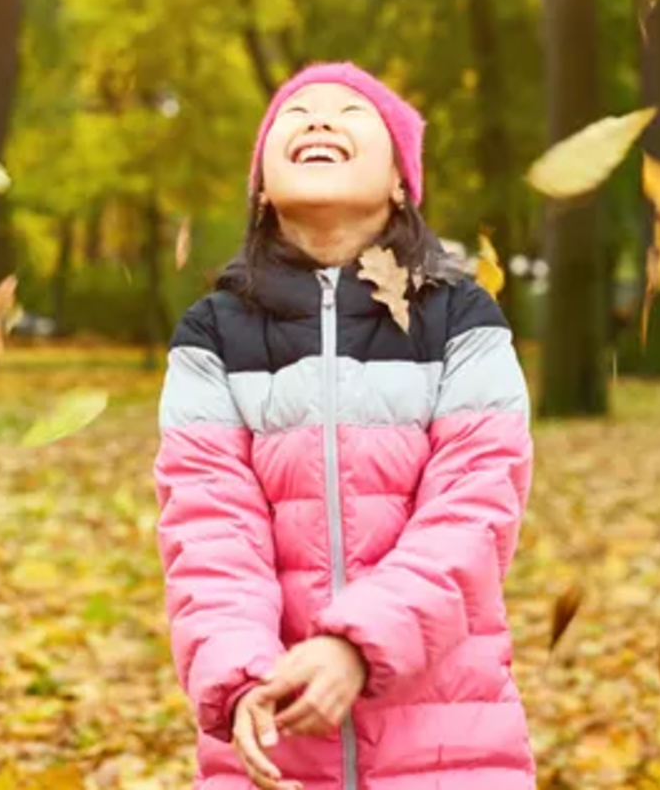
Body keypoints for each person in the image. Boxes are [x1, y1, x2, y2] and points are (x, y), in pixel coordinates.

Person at [153, 63, 537, 789]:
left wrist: (359, 644)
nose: (320, 119)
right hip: (277, 735)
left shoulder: (461, 319)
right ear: (262, 189)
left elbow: (477, 508)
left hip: (447, 737)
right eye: (297, 113)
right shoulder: (212, 336)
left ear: (401, 182)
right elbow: (207, 528)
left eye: (350, 112)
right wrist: (241, 676)